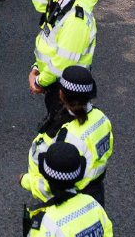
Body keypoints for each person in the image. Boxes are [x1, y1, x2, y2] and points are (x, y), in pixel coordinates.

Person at [21, 66, 112, 206]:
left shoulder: (65, 136)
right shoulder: (101, 118)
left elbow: (53, 185)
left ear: (61, 94)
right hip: (95, 193)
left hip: (67, 200)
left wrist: (26, 181)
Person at [29, 0, 97, 120]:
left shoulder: (76, 20)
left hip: (65, 89)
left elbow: (62, 62)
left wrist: (39, 81)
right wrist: (36, 67)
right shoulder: (60, 4)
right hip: (55, 84)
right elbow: (48, 41)